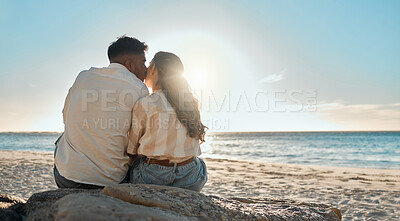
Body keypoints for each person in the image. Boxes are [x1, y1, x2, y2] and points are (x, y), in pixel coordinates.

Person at [54, 36, 149, 188]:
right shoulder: (139, 88)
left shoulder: (83, 76)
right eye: (143, 62)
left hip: (67, 179)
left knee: (61, 140)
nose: (146, 69)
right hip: (111, 182)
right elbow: (140, 138)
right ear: (129, 65)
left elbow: (66, 117)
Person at [127, 51, 208, 192]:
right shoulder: (190, 103)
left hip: (153, 176)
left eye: (150, 64)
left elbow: (132, 149)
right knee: (199, 162)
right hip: (190, 177)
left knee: (135, 163)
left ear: (154, 69)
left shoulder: (145, 103)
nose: (146, 68)